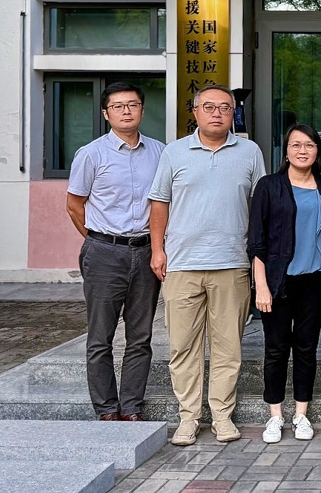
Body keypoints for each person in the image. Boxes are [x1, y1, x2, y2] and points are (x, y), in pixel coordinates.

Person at [148, 84, 266, 446]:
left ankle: (222, 416)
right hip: (182, 264)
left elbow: (261, 206)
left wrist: (256, 258)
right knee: (183, 346)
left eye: (225, 108)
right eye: (210, 107)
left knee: (228, 347)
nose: (217, 113)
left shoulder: (249, 152)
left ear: (234, 114)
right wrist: (157, 250)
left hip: (232, 264)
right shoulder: (174, 152)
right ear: (195, 112)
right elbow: (159, 202)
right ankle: (188, 417)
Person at [66, 81, 165, 422]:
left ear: (142, 110)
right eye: (118, 106)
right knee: (100, 336)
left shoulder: (160, 152)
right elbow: (74, 205)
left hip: (147, 250)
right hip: (104, 253)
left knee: (141, 336)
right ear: (106, 114)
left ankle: (132, 406)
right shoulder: (91, 154)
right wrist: (97, 240)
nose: (126, 111)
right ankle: (107, 408)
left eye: (132, 104)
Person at [248, 123, 321, 444]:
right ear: (285, 151)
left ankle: (301, 414)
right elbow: (256, 241)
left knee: (306, 349)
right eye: (296, 145)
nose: (303, 150)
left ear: (317, 152)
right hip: (277, 282)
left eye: (309, 145)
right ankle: (275, 416)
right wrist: (261, 286)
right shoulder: (269, 186)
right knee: (275, 350)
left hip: (314, 282)